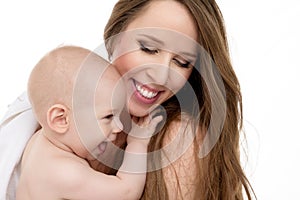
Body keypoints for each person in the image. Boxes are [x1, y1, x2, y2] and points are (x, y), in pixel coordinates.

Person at [0, 0, 255, 199]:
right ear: (115, 35)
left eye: (182, 62)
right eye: (148, 48)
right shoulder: (58, 110)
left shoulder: (178, 137)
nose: (161, 74)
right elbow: (126, 191)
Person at [16, 45, 163, 200]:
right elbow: (126, 192)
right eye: (108, 117)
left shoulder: (37, 143)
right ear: (61, 119)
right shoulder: (65, 173)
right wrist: (138, 143)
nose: (119, 127)